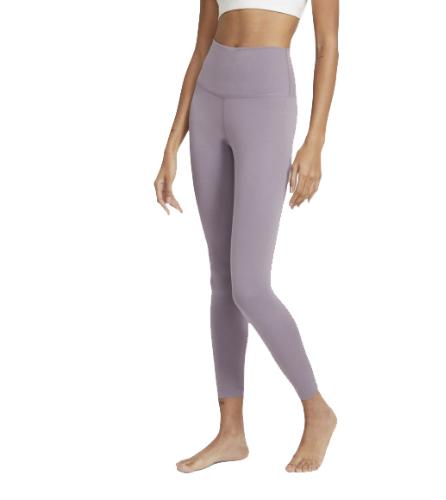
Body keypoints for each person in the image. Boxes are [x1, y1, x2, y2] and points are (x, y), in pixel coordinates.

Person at [154, 0, 340, 473]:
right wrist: (171, 144)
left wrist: (315, 141)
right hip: (209, 98)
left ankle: (317, 409)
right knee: (222, 281)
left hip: (266, 101)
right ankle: (231, 432)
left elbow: (327, 47)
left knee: (251, 286)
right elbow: (201, 46)